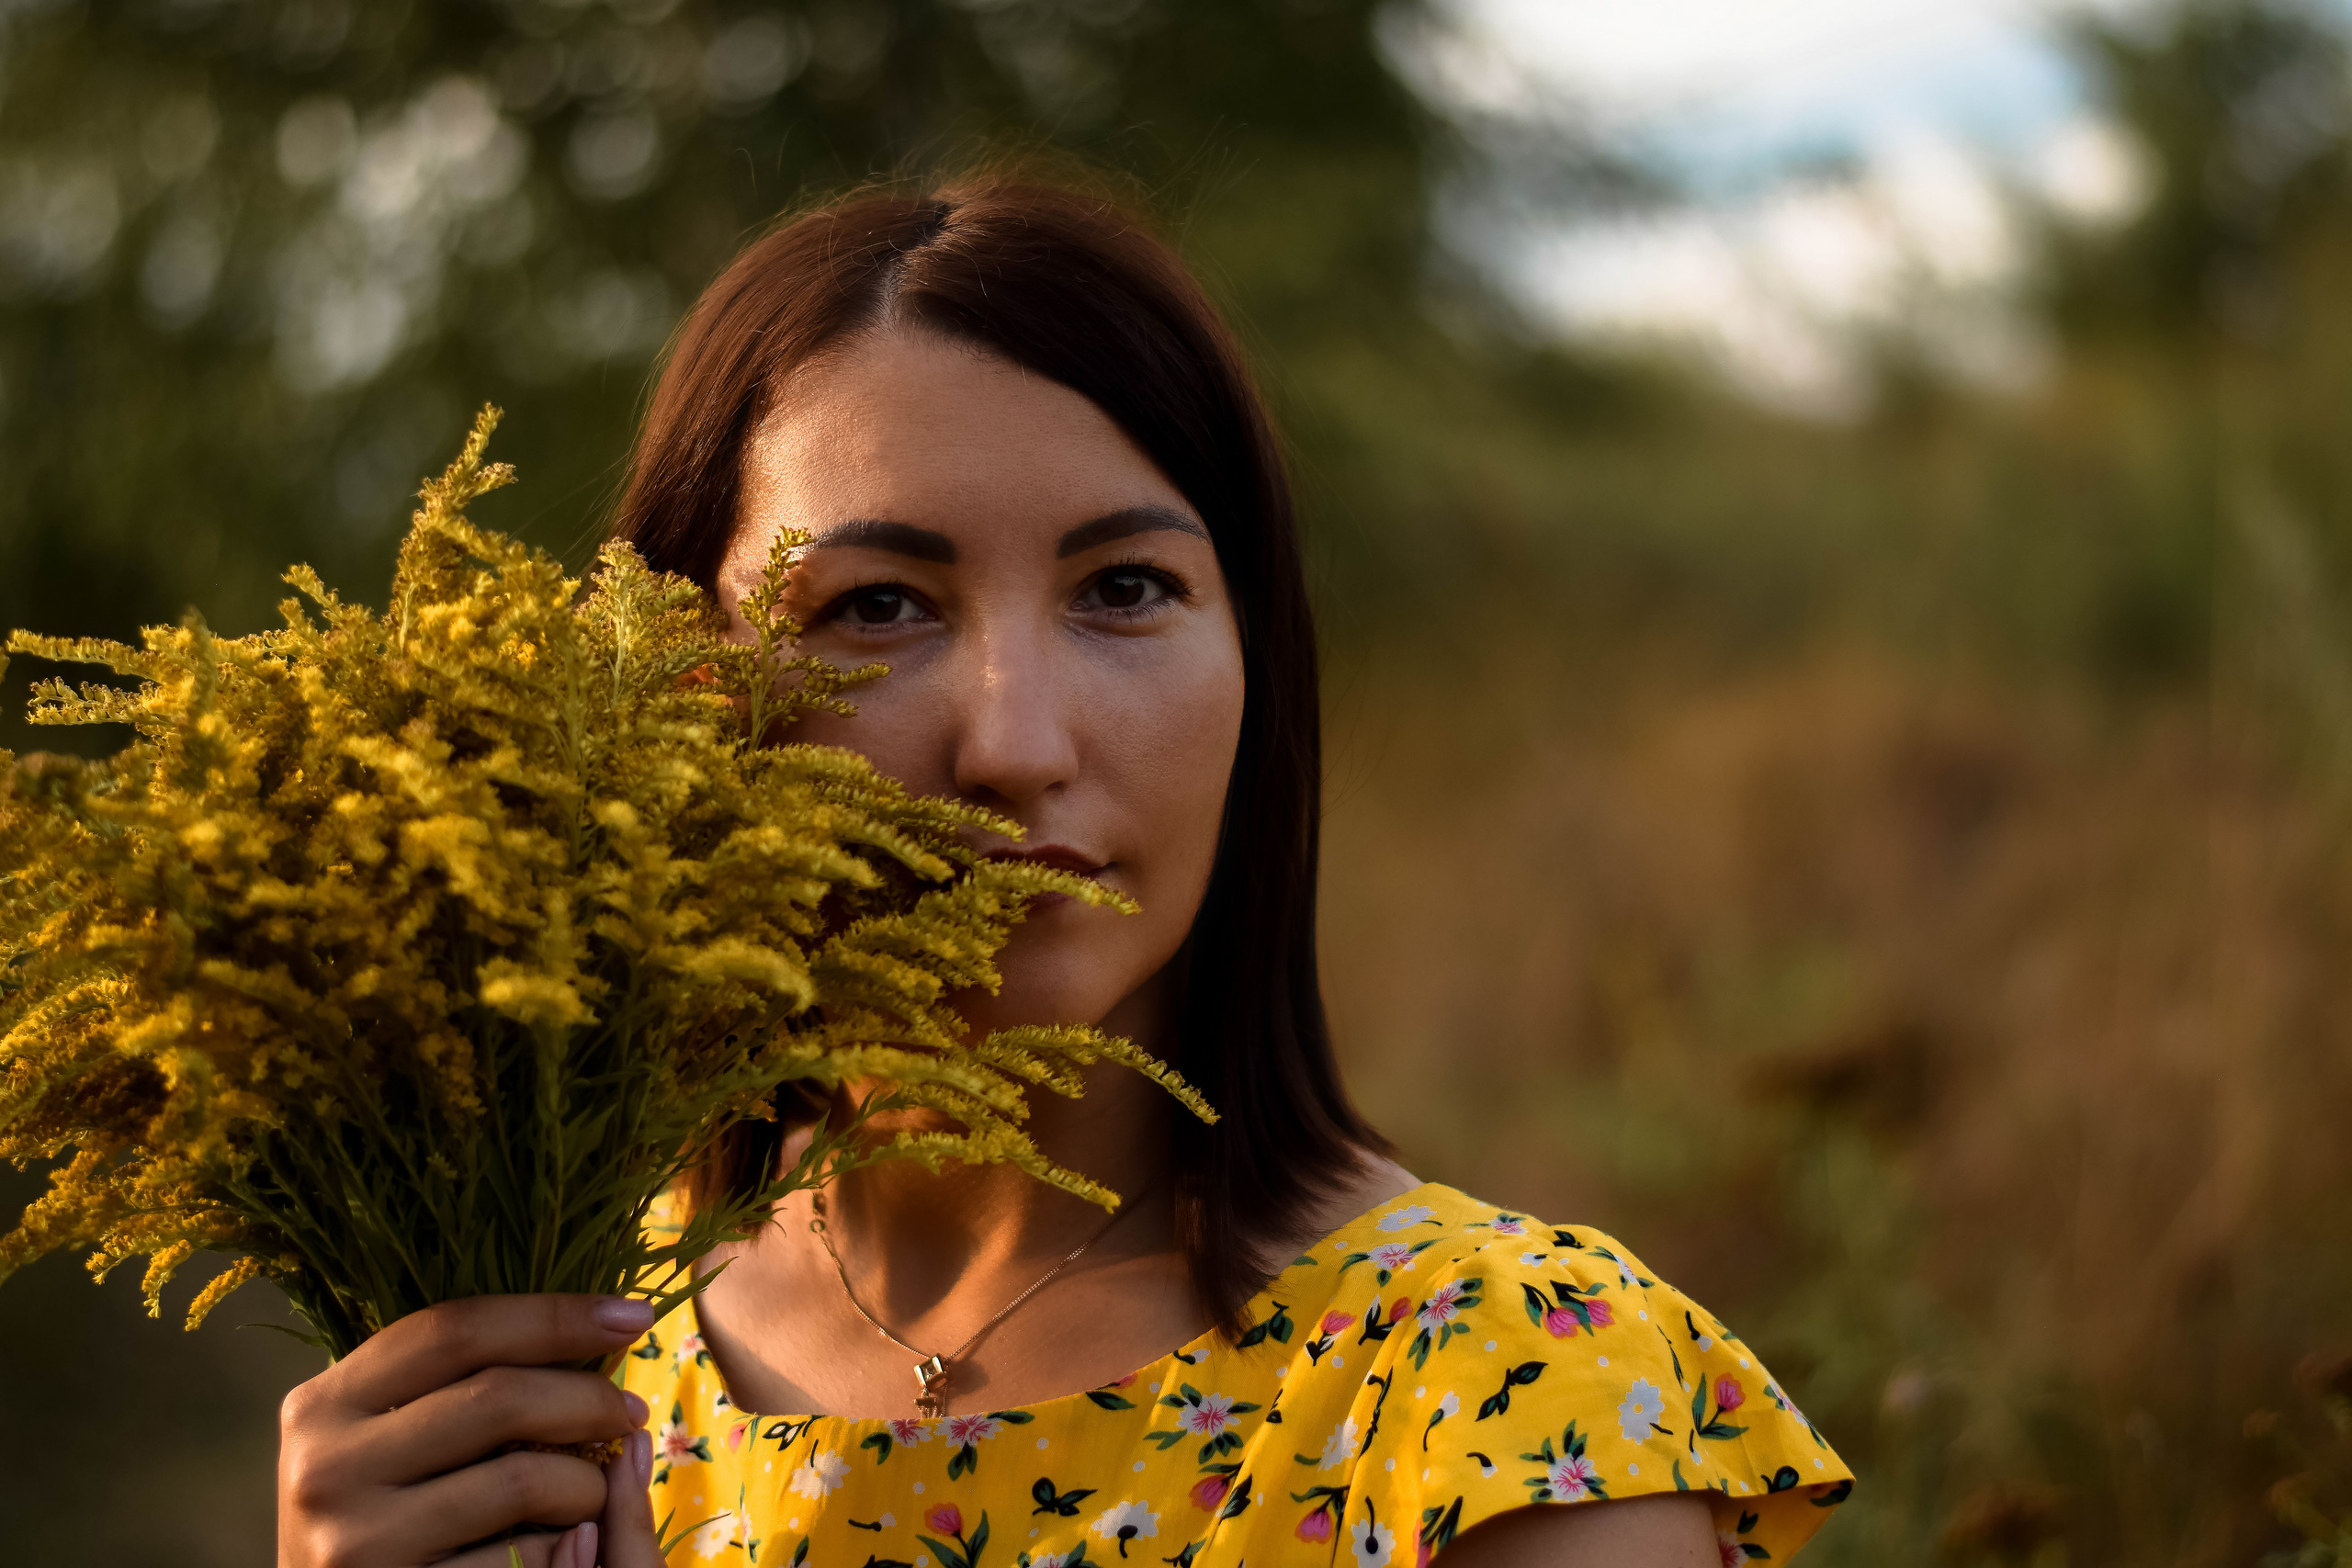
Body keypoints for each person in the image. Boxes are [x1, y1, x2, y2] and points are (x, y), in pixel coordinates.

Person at [275, 176, 1853, 1568]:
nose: (1016, 745)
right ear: (675, 695)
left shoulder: (1507, 1399)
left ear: (1259, 669)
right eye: (878, 608)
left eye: (1125, 587)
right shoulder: (547, 1366)